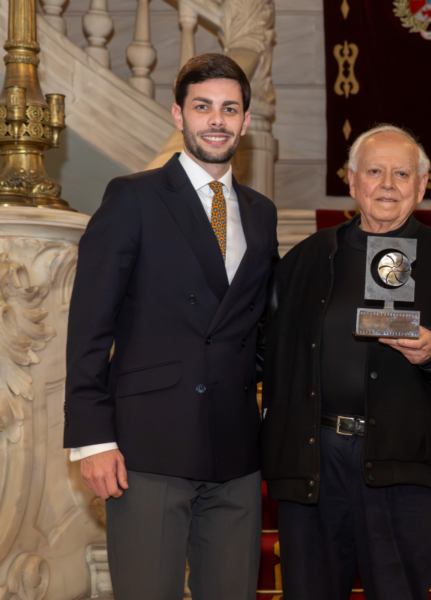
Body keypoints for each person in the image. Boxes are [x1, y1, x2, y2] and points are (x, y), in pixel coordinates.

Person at [64, 53, 279, 600]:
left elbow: (257, 326)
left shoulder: (260, 212)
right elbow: (90, 325)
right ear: (178, 116)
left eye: (230, 109)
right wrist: (91, 439)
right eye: (203, 106)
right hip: (147, 448)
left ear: (246, 121)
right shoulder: (132, 197)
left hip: (234, 449)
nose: (217, 120)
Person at [260, 124, 431, 600]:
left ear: (422, 186)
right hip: (313, 462)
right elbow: (265, 353)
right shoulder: (305, 259)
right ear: (351, 180)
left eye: (402, 173)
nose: (388, 183)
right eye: (374, 171)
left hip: (402, 466)